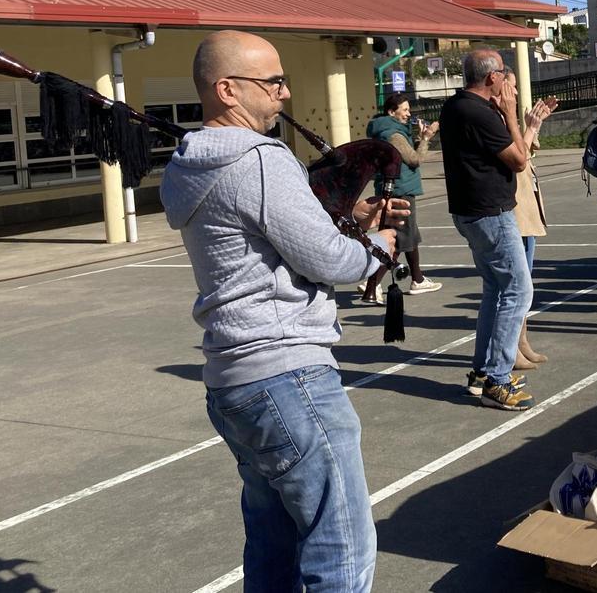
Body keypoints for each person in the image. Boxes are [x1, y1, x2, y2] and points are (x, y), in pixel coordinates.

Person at [161, 30, 406, 591]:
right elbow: (329, 260)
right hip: (287, 377)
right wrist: (380, 250)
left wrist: (352, 225)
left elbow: (274, 241)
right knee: (342, 546)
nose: (284, 95)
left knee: (273, 543)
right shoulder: (262, 160)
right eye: (272, 82)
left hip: (233, 380)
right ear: (227, 90)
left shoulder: (190, 165)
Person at [439, 48, 549, 410]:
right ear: (491, 78)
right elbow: (519, 160)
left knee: (496, 290)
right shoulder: (481, 112)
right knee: (518, 289)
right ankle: (498, 379)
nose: (506, 80)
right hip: (490, 212)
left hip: (471, 212)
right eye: (503, 73)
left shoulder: (455, 106)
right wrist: (511, 115)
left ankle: (482, 371)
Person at [364, 93, 442, 300]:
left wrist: (418, 137)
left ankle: (417, 278)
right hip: (402, 190)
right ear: (392, 112)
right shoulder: (393, 134)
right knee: (399, 239)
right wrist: (426, 138)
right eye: (405, 110)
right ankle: (372, 284)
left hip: (394, 187)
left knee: (410, 234)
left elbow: (402, 154)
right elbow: (414, 159)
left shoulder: (387, 130)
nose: (409, 114)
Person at [506, 71, 559, 370]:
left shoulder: (509, 119)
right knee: (517, 284)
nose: (515, 92)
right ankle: (512, 345)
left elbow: (529, 148)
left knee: (526, 283)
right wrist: (528, 128)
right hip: (514, 209)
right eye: (511, 86)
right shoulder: (496, 119)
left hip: (527, 207)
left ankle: (522, 340)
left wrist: (533, 127)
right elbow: (518, 158)